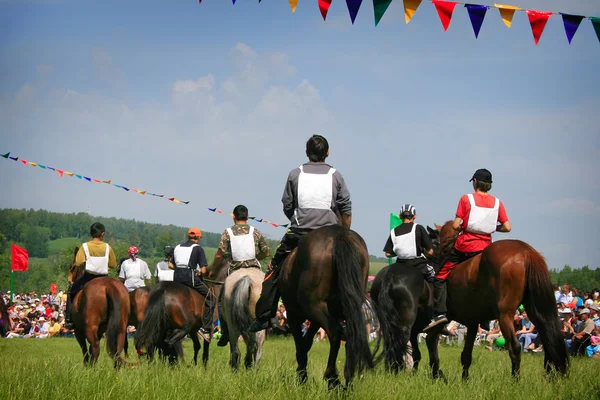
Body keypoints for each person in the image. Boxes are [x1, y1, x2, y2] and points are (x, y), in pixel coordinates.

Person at [248, 134, 352, 332]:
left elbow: (287, 204)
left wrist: (297, 219)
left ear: (307, 153)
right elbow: (345, 206)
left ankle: (264, 316)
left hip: (299, 232)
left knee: (273, 269)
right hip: (329, 231)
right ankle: (348, 317)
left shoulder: (295, 174)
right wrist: (343, 232)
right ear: (327, 153)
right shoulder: (336, 175)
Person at [424, 169, 511, 332]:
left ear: (476, 182)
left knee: (440, 276)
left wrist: (467, 225)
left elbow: (456, 225)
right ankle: (485, 318)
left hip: (466, 247)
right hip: (486, 249)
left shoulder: (466, 199)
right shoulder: (498, 203)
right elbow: (507, 227)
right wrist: (491, 227)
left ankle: (440, 313)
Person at [208, 205, 270, 347]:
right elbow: (266, 252)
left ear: (233, 217)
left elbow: (219, 254)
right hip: (254, 267)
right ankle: (271, 319)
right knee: (268, 292)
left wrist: (213, 269)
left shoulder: (227, 233)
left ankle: (225, 332)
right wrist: (256, 257)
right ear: (247, 217)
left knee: (222, 300)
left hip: (235, 269)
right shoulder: (256, 232)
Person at [65, 222, 117, 329]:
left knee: (71, 292)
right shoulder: (108, 247)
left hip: (88, 278)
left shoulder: (84, 246)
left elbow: (78, 262)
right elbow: (112, 264)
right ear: (102, 234)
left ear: (91, 233)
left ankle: (69, 319)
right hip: (104, 278)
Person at [173, 227, 215, 342]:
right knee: (211, 297)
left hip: (176, 278)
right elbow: (203, 270)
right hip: (189, 278)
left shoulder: (177, 247)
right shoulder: (198, 249)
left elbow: (171, 266)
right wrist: (199, 273)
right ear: (197, 237)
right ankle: (206, 328)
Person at [383, 204, 435, 283]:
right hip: (418, 265)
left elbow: (388, 254)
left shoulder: (393, 231)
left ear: (400, 216)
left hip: (400, 265)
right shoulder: (418, 228)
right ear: (414, 216)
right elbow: (430, 251)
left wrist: (401, 252)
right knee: (436, 279)